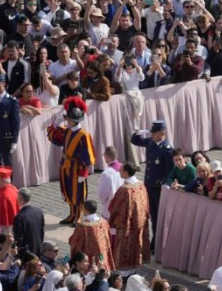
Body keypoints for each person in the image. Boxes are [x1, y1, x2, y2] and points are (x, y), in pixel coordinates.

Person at [45, 96, 95, 225]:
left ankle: (79, 215)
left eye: (68, 119)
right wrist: (56, 123)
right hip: (65, 165)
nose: (66, 120)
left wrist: (84, 173)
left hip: (76, 167)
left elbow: (87, 156)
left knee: (78, 193)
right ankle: (72, 214)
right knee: (68, 190)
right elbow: (54, 137)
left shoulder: (83, 135)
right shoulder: (67, 131)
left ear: (74, 120)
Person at [107, 163, 152, 269]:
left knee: (125, 247)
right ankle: (135, 265)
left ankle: (124, 270)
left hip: (126, 224)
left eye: (121, 170)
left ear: (126, 173)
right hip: (140, 222)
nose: (119, 172)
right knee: (136, 244)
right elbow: (145, 202)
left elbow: (114, 207)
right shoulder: (141, 184)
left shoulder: (124, 190)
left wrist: (112, 221)